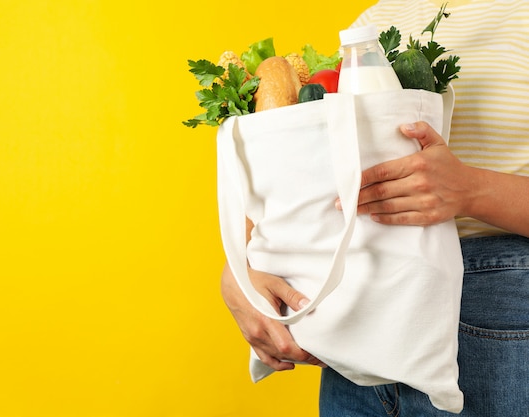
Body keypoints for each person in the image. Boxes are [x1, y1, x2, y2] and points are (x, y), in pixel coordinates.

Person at [220, 0, 529, 415]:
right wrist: (239, 271)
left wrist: (473, 190)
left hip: (499, 323)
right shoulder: (378, 19)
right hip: (356, 319)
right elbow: (307, 166)